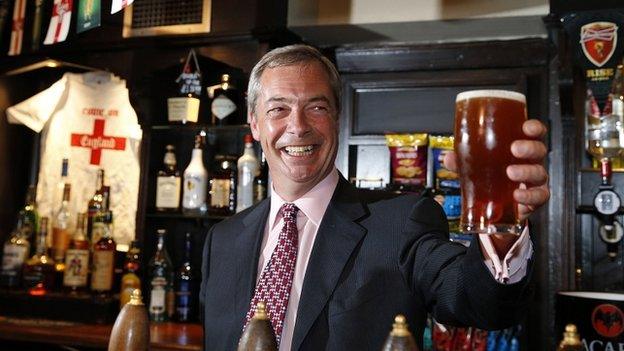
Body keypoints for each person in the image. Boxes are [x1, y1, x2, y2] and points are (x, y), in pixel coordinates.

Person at [200, 44, 550, 350]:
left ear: (337, 117)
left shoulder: (403, 220)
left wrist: (501, 227)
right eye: (278, 109)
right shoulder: (222, 239)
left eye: (317, 107)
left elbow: (478, 303)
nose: (298, 125)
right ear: (255, 123)